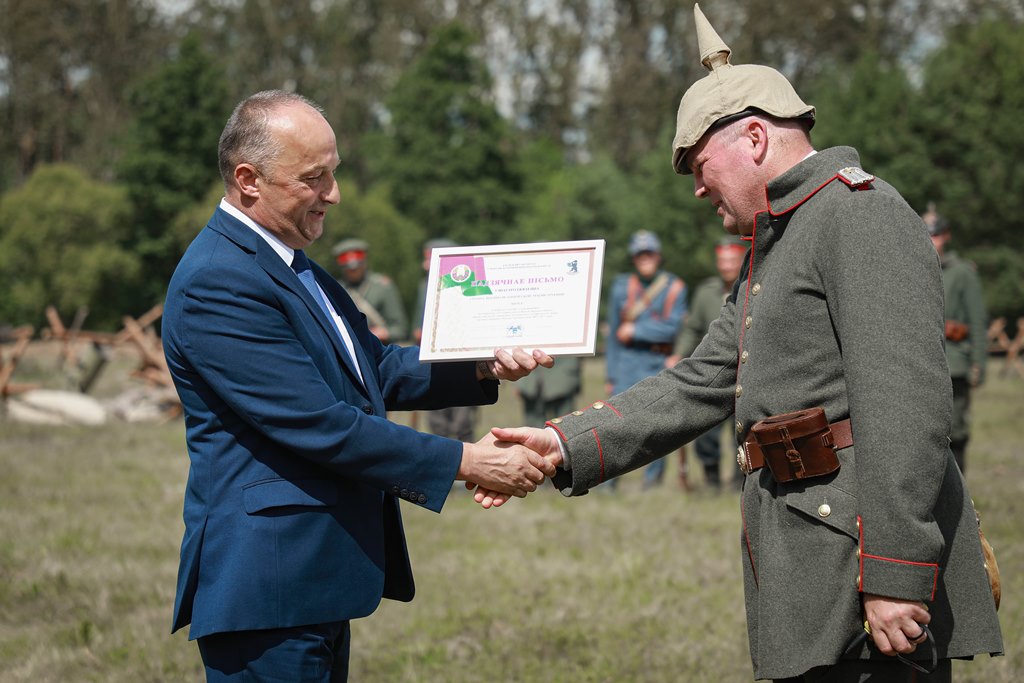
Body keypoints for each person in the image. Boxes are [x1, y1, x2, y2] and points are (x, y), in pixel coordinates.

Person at [487, 5, 1002, 681]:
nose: (699, 188)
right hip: (805, 560)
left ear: (755, 138)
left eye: (701, 165)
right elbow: (698, 379)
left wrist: (899, 571)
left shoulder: (858, 213)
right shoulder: (780, 242)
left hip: (861, 565)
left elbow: (907, 404)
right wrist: (563, 442)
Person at [162, 90, 555, 682]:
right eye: (314, 179)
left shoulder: (291, 263)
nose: (334, 195)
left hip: (309, 582)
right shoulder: (219, 281)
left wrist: (478, 366)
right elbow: (320, 423)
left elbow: (373, 368)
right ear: (249, 180)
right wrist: (468, 460)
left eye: (334, 173)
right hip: (267, 589)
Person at [604, 229, 686, 489]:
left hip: (657, 361)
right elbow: (615, 334)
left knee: (656, 427)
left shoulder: (674, 287)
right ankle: (608, 482)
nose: (644, 259)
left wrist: (637, 330)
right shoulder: (621, 287)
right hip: (627, 362)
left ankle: (651, 484)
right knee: (615, 426)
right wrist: (611, 375)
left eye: (649, 253)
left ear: (658, 256)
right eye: (639, 255)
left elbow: (673, 328)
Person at [667, 236, 747, 491]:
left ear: (741, 259)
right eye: (722, 261)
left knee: (743, 431)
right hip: (713, 372)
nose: (726, 266)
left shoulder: (752, 285)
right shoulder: (705, 292)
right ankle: (712, 480)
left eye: (732, 260)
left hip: (746, 372)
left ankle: (739, 482)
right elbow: (692, 329)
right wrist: (677, 354)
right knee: (706, 431)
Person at [922, 206, 988, 473]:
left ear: (945, 236)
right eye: (926, 234)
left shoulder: (962, 272)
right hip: (923, 362)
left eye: (935, 235)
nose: (931, 240)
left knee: (956, 430)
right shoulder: (913, 267)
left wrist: (978, 364)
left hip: (954, 362)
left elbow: (977, 321)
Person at [411, 237, 480, 441]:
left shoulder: (470, 285)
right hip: (434, 363)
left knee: (462, 423)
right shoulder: (426, 284)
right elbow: (418, 320)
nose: (426, 265)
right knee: (437, 422)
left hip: (463, 362)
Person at [332, 237, 408, 344]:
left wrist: (385, 333)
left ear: (364, 264)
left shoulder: (382, 286)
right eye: (349, 269)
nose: (353, 272)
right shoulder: (335, 289)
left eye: (357, 268)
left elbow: (400, 329)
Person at [516, 355, 582, 428]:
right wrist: (518, 382)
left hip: (563, 374)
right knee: (534, 427)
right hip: (531, 380)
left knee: (566, 426)